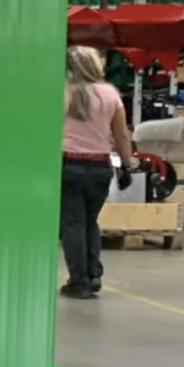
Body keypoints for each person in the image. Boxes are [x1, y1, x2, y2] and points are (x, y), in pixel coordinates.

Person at [61, 45, 140, 300]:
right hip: (100, 167)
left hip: (68, 166)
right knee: (91, 221)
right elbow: (121, 134)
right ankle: (94, 274)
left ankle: (79, 282)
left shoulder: (62, 93)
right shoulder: (110, 94)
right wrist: (126, 165)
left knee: (73, 223)